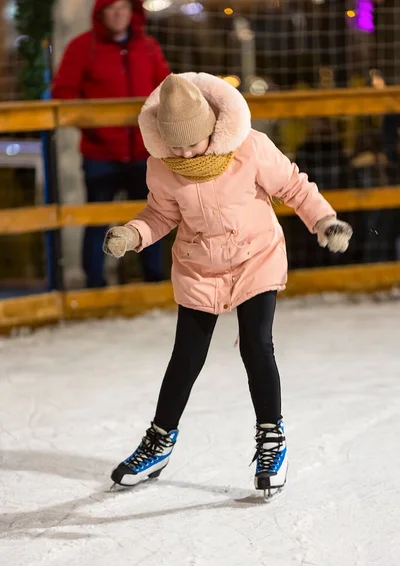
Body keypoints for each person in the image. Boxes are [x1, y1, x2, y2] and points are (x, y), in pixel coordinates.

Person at [103, 74, 353, 497]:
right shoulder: (162, 166)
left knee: (257, 345)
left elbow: (293, 185)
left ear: (210, 129)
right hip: (200, 267)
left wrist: (324, 221)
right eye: (174, 145)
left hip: (256, 257)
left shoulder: (250, 147)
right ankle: (159, 441)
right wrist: (133, 234)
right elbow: (160, 214)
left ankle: (271, 438)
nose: (183, 153)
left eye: (191, 143)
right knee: (186, 356)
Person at [52, 0, 170, 288]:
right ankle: (94, 284)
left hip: (144, 153)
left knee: (150, 218)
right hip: (99, 153)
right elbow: (64, 93)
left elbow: (166, 88)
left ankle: (152, 282)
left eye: (124, 8)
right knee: (96, 219)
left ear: (133, 13)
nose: (119, 14)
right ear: (101, 13)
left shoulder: (149, 47)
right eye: (112, 8)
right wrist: (96, 127)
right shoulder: (83, 47)